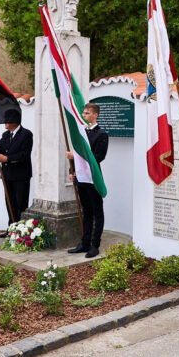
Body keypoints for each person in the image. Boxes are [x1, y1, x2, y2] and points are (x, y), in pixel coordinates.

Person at [66, 103, 109, 258]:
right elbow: (76, 156)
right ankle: (84, 243)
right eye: (83, 113)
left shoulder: (101, 134)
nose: (84, 116)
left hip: (93, 178)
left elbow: (98, 157)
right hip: (81, 178)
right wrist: (72, 172)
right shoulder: (81, 133)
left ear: (95, 115)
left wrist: (76, 156)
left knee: (97, 211)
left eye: (87, 113)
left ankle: (95, 244)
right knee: (86, 211)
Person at [0, 109, 33, 238]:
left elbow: (24, 155)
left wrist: (7, 158)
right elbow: (1, 152)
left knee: (20, 204)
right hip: (7, 175)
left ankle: (21, 231)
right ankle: (11, 228)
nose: (5, 123)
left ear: (14, 121)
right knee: (10, 203)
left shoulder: (26, 134)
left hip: (21, 176)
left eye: (7, 120)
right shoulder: (5, 135)